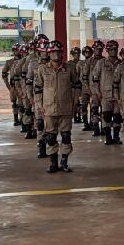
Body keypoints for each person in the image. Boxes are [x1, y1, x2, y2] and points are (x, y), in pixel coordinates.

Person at [35, 40, 80, 173]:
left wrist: (75, 102)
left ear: (61, 54)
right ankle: (53, 162)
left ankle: (64, 161)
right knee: (51, 137)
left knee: (66, 136)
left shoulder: (69, 69)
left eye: (58, 52)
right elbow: (37, 88)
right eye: (53, 52)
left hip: (66, 108)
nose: (55, 54)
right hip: (49, 109)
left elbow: (77, 86)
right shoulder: (42, 69)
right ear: (49, 54)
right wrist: (39, 105)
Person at [92, 40, 122, 145]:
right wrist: (97, 93)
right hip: (105, 95)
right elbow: (95, 79)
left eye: (115, 49)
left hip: (118, 96)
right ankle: (108, 137)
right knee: (106, 116)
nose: (113, 51)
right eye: (111, 49)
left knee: (118, 117)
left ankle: (117, 137)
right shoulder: (101, 63)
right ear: (107, 50)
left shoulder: (121, 63)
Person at [3, 43, 22, 126]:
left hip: (23, 85)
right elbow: (4, 74)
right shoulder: (9, 62)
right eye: (14, 50)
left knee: (23, 103)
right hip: (13, 86)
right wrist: (8, 86)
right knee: (14, 103)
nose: (16, 52)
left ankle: (24, 120)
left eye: (17, 50)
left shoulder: (25, 60)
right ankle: (16, 119)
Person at [70, 46, 84, 123]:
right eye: (75, 53)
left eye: (78, 53)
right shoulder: (69, 63)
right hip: (72, 86)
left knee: (79, 102)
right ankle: (74, 116)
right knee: (73, 102)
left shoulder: (82, 63)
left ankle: (79, 116)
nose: (77, 55)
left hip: (80, 85)